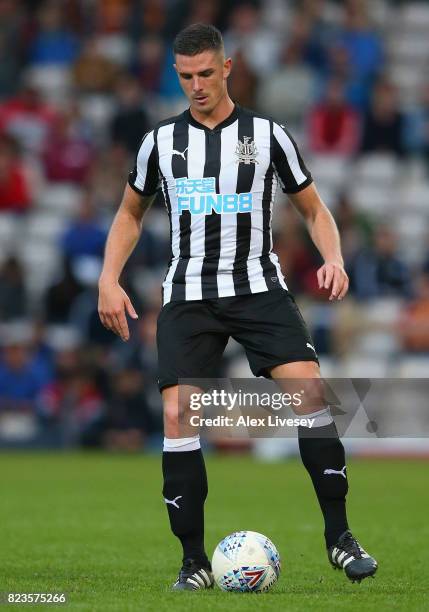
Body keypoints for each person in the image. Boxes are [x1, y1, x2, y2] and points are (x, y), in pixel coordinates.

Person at [98, 23, 377, 590]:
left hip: (257, 288)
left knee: (311, 394)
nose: (196, 86)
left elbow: (314, 208)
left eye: (205, 73)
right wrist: (109, 277)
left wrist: (334, 257)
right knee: (179, 417)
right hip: (189, 295)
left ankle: (340, 539)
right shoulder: (160, 142)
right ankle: (194, 562)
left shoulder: (268, 135)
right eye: (185, 77)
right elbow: (130, 213)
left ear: (227, 68)